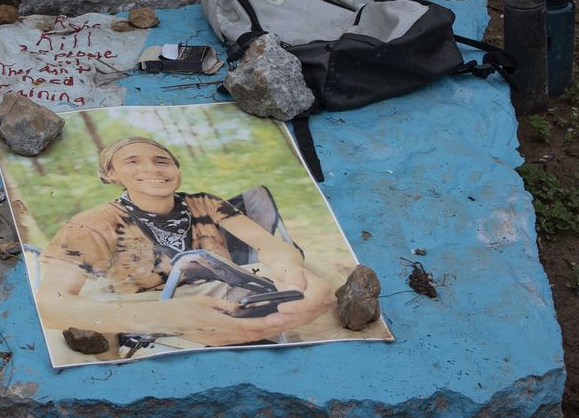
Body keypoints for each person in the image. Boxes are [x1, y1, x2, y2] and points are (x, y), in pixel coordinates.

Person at [34, 136, 375, 349]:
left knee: (320, 294)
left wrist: (290, 272)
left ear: (177, 170)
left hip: (236, 290)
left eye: (162, 160)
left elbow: (267, 243)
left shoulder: (204, 203)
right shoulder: (93, 224)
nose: (152, 168)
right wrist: (164, 317)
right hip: (158, 306)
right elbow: (52, 304)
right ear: (111, 174)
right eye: (132, 162)